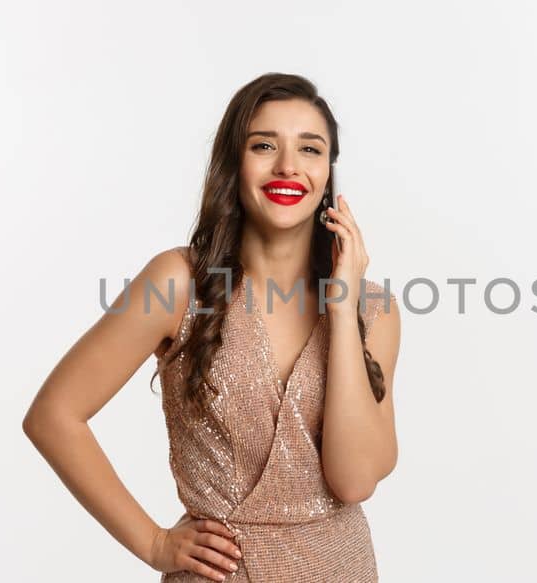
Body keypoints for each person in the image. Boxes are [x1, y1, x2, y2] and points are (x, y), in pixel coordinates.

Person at [23, 72, 401, 582]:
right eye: (264, 145)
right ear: (233, 162)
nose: (288, 166)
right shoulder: (180, 283)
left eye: (310, 150)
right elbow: (54, 414)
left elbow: (353, 481)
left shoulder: (372, 309)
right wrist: (154, 542)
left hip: (342, 567)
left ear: (327, 174)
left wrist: (341, 305)